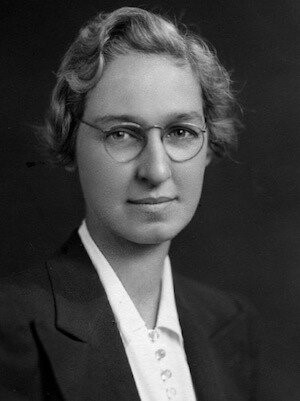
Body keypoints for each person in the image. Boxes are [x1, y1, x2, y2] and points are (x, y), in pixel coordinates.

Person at [0, 7, 263, 401]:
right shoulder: (11, 325)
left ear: (211, 144)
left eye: (180, 132)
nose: (156, 170)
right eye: (121, 134)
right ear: (70, 144)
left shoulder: (232, 323)